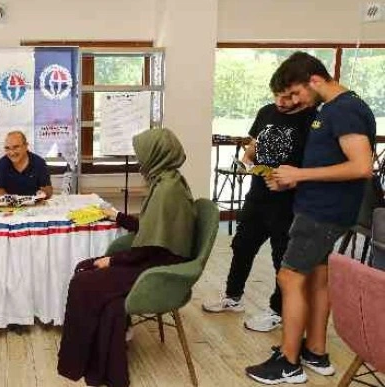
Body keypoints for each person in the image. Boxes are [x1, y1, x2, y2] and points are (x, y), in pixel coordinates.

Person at [246, 52, 376, 385]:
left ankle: (287, 362)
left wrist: (300, 175)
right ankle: (315, 351)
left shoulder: (345, 109)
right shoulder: (332, 109)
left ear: (314, 80)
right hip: (320, 208)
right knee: (318, 278)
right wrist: (291, 177)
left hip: (322, 213)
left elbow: (361, 166)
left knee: (289, 278)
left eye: (296, 93)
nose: (293, 102)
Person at [57, 128, 196, 387]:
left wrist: (115, 260)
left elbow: (153, 246)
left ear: (157, 154)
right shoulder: (168, 180)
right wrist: (118, 217)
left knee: (83, 281)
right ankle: (100, 364)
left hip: (161, 268)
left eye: (142, 155)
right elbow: (154, 229)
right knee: (91, 277)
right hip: (157, 258)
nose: (139, 161)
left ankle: (80, 361)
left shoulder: (167, 190)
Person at [203, 81, 317, 332]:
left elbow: (314, 166)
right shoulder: (266, 112)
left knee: (281, 256)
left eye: (287, 97)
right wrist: (247, 160)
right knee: (242, 245)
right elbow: (253, 145)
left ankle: (278, 311)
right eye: (277, 95)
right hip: (257, 196)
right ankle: (233, 297)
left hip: (288, 202)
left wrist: (290, 182)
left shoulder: (312, 120)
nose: (280, 102)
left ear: (299, 94)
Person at [0, 131, 53, 198]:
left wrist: (44, 193)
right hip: (10, 206)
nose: (12, 153)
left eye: (16, 147)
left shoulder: (39, 163)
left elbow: (48, 191)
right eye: (7, 148)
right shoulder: (0, 165)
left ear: (26, 146)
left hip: (35, 204)